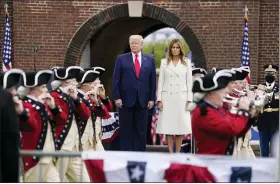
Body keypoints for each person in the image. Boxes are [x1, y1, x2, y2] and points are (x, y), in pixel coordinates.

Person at [188, 69, 257, 155]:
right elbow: (232, 129)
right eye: (221, 90)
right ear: (210, 94)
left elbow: (239, 131)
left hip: (220, 160)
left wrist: (250, 117)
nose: (227, 91)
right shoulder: (204, 112)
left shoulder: (214, 109)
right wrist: (243, 111)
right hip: (211, 162)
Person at [17, 70, 64, 182]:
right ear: (33, 89)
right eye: (43, 87)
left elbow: (62, 121)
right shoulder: (25, 105)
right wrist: (38, 105)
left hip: (49, 156)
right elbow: (31, 124)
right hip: (35, 159)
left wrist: (54, 107)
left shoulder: (43, 104)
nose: (46, 90)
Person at [112, 35, 156, 151]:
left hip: (143, 100)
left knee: (141, 130)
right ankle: (126, 154)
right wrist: (117, 97)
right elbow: (116, 79)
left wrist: (152, 99)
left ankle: (139, 154)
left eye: (136, 43)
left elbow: (152, 81)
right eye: (132, 43)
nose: (134, 45)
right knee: (126, 129)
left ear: (141, 45)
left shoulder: (150, 60)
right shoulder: (121, 59)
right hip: (125, 100)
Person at [50, 66, 91, 182]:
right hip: (62, 146)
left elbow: (85, 115)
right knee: (57, 179)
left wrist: (76, 99)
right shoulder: (54, 96)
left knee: (85, 181)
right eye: (73, 81)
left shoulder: (74, 96)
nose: (76, 84)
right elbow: (60, 118)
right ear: (64, 83)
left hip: (75, 146)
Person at [156, 39, 193, 153]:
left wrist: (189, 99)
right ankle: (171, 153)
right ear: (170, 49)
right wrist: (159, 99)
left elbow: (189, 83)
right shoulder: (164, 62)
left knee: (180, 127)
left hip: (181, 99)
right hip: (168, 98)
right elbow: (161, 81)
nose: (175, 50)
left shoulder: (186, 62)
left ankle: (177, 153)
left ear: (180, 49)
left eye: (177, 47)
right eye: (173, 47)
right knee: (168, 127)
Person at [0, 69, 23, 182]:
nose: (14, 92)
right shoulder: (5, 101)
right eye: (11, 89)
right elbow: (9, 143)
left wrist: (21, 113)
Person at [257, 64, 279, 157]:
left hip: (276, 120)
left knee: (275, 149)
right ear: (264, 75)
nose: (269, 75)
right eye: (267, 73)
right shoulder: (259, 88)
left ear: (276, 75)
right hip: (263, 120)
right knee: (264, 148)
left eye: (272, 74)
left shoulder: (279, 88)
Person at [76, 69, 100, 151]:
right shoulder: (77, 96)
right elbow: (85, 115)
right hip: (81, 135)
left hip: (92, 135)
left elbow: (104, 114)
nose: (93, 86)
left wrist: (97, 101)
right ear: (83, 85)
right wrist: (84, 100)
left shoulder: (91, 95)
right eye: (90, 84)